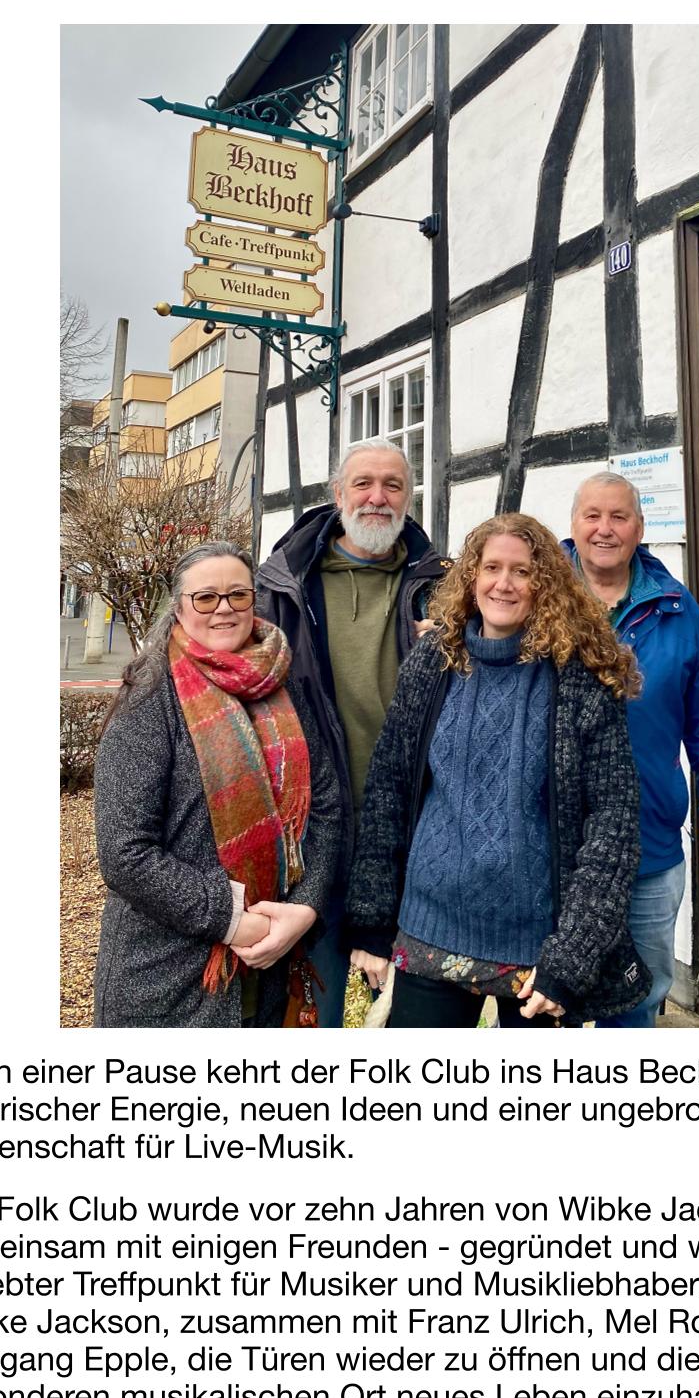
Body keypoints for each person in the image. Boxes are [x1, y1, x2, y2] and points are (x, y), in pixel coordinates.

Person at [344, 513, 648, 1028]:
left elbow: (612, 824)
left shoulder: (580, 676)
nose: (503, 583)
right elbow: (388, 789)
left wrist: (571, 958)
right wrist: (371, 922)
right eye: (491, 568)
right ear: (472, 577)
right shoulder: (432, 662)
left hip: (537, 947)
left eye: (522, 571)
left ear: (545, 585)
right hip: (430, 926)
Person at [93, 542, 339, 1028]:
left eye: (237, 594)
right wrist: (232, 919)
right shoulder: (151, 696)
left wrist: (305, 908)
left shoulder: (283, 685)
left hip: (269, 969)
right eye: (206, 597)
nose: (224, 608)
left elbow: (327, 806)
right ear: (179, 608)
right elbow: (125, 852)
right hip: (165, 977)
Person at [254, 439, 447, 1025]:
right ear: (338, 494)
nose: (377, 497)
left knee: (417, 1017)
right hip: (315, 828)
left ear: (409, 499)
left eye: (393, 485)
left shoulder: (442, 588)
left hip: (413, 828)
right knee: (314, 1006)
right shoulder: (282, 586)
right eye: (363, 483)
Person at [565, 472, 699, 1027]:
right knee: (542, 1003)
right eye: (593, 515)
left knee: (639, 996)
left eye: (619, 517)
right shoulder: (539, 596)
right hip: (553, 841)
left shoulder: (675, 608)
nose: (605, 529)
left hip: (649, 840)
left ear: (639, 529)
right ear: (573, 524)